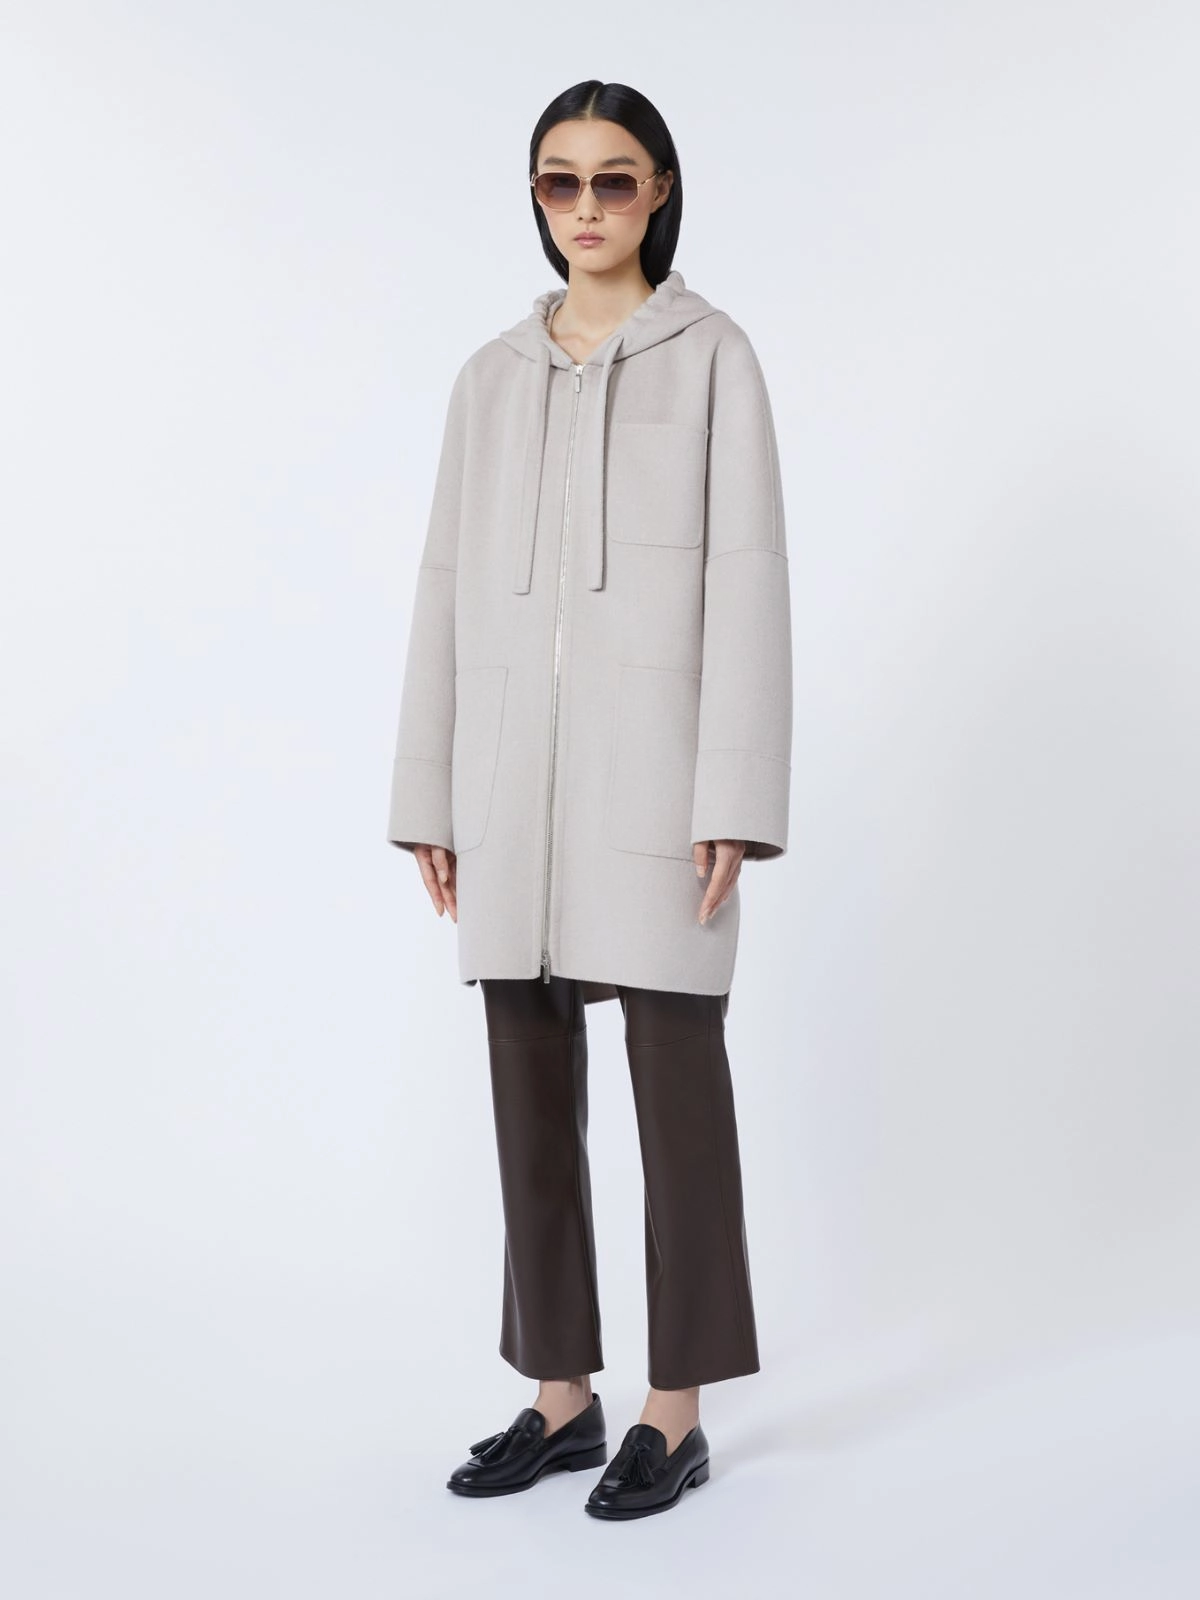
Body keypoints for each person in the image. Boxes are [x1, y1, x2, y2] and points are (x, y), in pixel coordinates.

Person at [386, 79, 792, 1520]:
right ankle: (562, 1397)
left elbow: (750, 581)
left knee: (680, 1091)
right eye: (561, 181)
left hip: (660, 781)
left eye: (615, 180)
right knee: (526, 1083)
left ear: (660, 190)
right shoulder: (490, 376)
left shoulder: (713, 357)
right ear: (538, 198)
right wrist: (431, 789)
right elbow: (443, 585)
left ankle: (675, 1412)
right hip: (511, 785)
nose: (587, 207)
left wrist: (734, 791)